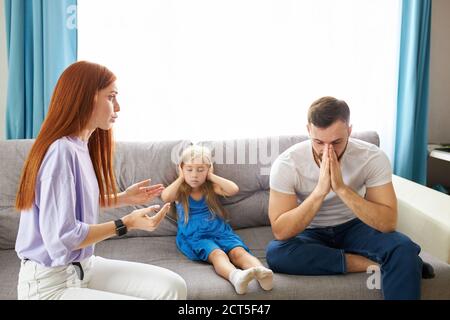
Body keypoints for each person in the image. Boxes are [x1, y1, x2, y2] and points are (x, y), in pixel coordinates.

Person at [15, 61, 187, 300]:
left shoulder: (81, 146)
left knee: (172, 286)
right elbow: (63, 238)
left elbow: (71, 204)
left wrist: (123, 198)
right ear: (86, 98)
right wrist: (125, 223)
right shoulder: (60, 151)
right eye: (111, 97)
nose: (118, 107)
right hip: (49, 284)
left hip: (83, 267)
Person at [266, 96, 425, 300]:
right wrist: (320, 192)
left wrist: (341, 188)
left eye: (336, 142)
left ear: (349, 131)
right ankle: (374, 263)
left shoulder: (372, 157)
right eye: (319, 142)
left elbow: (387, 223)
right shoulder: (287, 164)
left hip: (355, 226)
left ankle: (403, 260)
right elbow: (281, 231)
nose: (327, 150)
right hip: (311, 231)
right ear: (308, 130)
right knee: (276, 253)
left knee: (402, 246)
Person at [161, 145, 273, 294]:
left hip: (220, 231)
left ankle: (262, 273)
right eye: (189, 169)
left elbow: (233, 189)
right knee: (217, 254)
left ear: (208, 169)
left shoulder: (210, 187)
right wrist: (182, 177)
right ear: (181, 168)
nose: (194, 175)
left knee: (238, 252)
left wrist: (211, 176)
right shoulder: (181, 190)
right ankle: (236, 277)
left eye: (200, 169)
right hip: (196, 236)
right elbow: (166, 197)